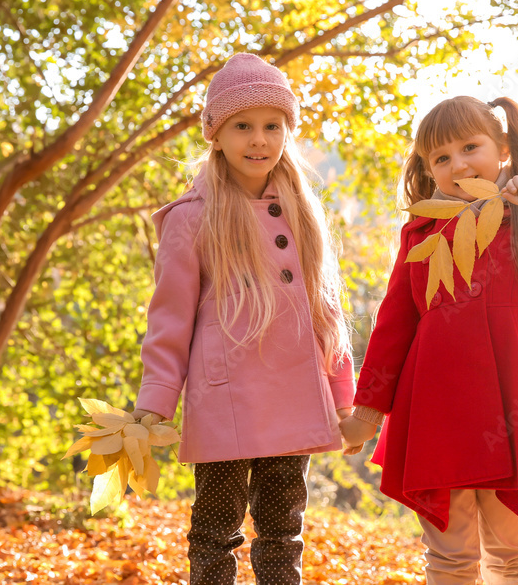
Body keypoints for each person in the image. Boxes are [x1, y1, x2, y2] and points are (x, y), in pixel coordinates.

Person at [340, 95, 518, 585]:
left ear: (504, 150)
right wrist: (367, 411)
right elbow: (394, 323)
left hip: (513, 411)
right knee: (449, 555)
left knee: (511, 552)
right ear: (428, 172)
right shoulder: (422, 233)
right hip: (437, 414)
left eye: (470, 147)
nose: (458, 164)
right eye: (441, 158)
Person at [132, 53, 355, 584]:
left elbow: (327, 311)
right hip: (225, 401)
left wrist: (344, 397)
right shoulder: (192, 217)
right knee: (214, 535)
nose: (259, 140)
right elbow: (169, 321)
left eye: (272, 126)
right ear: (215, 133)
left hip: (295, 399)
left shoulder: (301, 209)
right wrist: (155, 403)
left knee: (283, 534)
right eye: (243, 126)